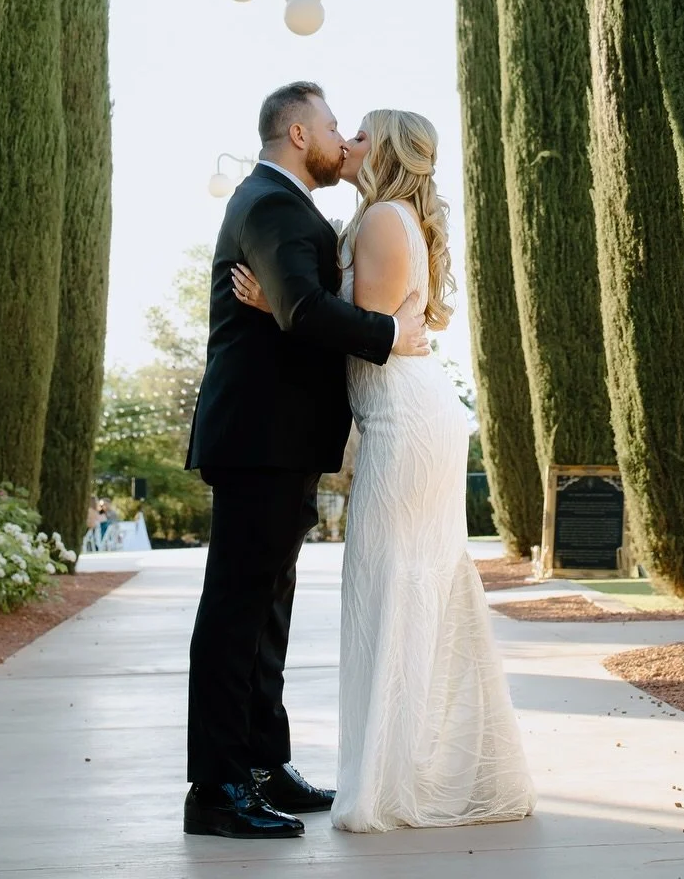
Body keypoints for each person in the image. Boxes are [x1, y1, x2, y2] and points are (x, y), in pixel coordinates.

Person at [234, 108, 535, 832]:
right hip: (409, 416)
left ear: (387, 151)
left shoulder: (380, 221)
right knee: (409, 582)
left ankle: (398, 783)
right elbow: (382, 328)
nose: (350, 143)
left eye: (362, 134)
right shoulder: (392, 217)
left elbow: (370, 339)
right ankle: (422, 770)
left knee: (390, 581)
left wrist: (280, 305)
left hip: (405, 421)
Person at [183, 81, 431, 840]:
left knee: (267, 611)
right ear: (297, 133)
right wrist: (393, 336)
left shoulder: (285, 206)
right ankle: (217, 789)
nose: (338, 136)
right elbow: (301, 310)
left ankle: (264, 765)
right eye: (330, 124)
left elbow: (293, 305)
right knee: (236, 611)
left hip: (279, 441)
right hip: (258, 439)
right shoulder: (270, 205)